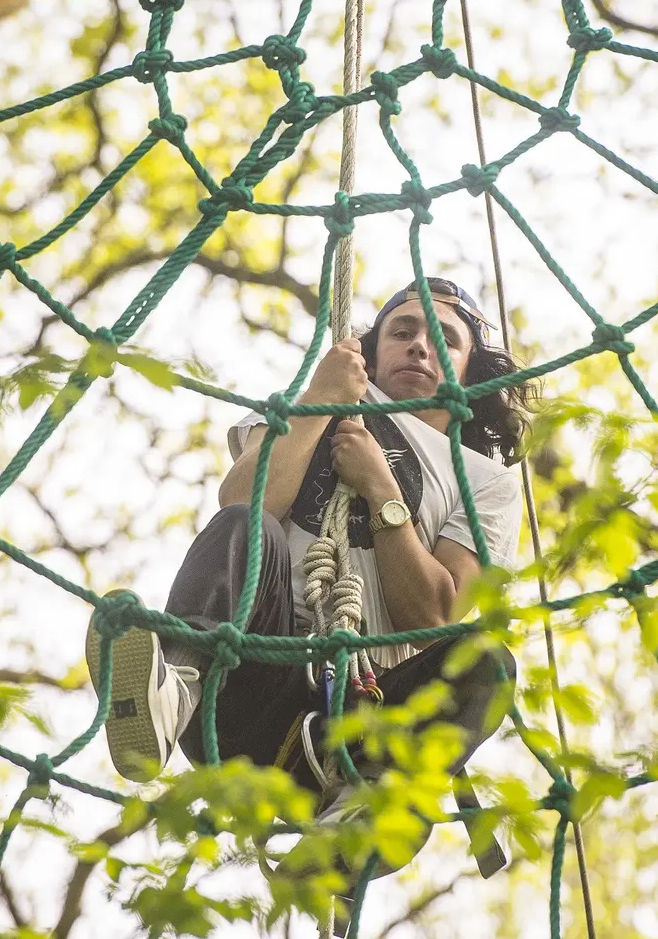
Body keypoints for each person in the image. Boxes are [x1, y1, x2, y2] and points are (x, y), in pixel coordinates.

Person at [86, 278, 531, 823]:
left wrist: (382, 489)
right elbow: (245, 500)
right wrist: (321, 398)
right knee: (248, 527)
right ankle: (175, 691)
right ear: (372, 350)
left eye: (446, 340)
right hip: (248, 689)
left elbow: (435, 613)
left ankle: (366, 811)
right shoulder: (308, 407)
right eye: (402, 330)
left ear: (469, 371)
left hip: (365, 717)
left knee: (488, 661)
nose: (420, 345)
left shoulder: (485, 482)